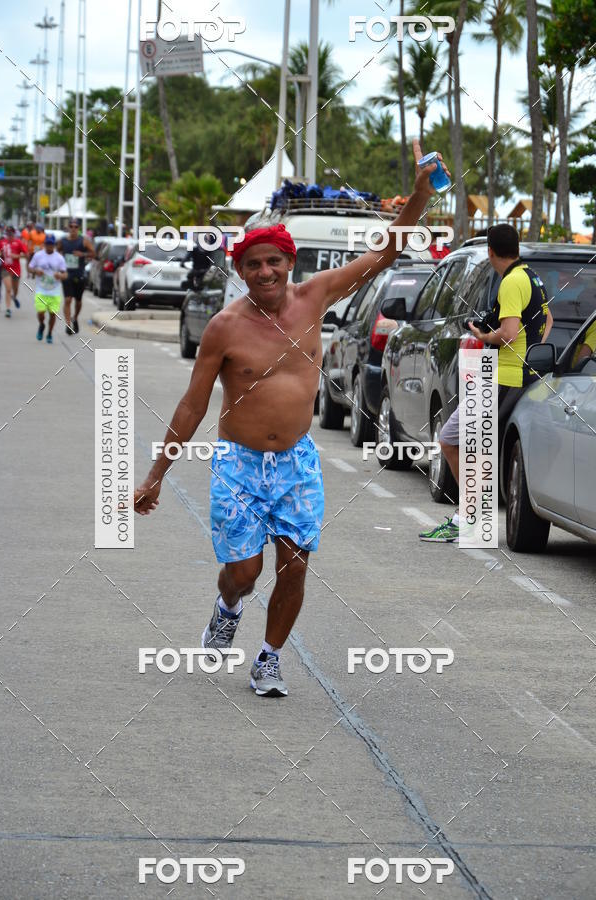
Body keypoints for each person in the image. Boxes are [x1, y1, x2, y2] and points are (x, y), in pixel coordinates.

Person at [134, 140, 448, 697]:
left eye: (273, 262)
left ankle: (269, 658)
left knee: (296, 566)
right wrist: (157, 473)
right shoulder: (224, 328)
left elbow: (386, 252)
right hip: (237, 461)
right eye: (252, 265)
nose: (264, 272)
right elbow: (192, 403)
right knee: (245, 573)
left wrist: (421, 195)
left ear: (289, 263)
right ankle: (228, 604)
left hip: (296, 461)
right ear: (242, 272)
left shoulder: (315, 297)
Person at [419, 223, 554, 543]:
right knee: (477, 445)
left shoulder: (510, 282)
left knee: (450, 438)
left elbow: (506, 334)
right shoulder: (533, 277)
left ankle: (468, 516)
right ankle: (472, 513)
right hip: (523, 376)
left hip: (503, 377)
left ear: (491, 252)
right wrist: (531, 350)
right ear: (516, 248)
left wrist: (482, 335)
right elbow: (548, 321)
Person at [28, 233, 67, 344]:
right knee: (41, 312)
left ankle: (49, 333)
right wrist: (36, 271)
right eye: (47, 244)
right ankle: (42, 325)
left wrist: (60, 275)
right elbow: (30, 268)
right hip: (41, 289)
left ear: (54, 245)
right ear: (44, 244)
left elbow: (65, 274)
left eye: (51, 244)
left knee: (52, 314)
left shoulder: (59, 258)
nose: (49, 246)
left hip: (54, 291)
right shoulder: (38, 255)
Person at [58, 218, 94, 334]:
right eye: (71, 226)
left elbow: (94, 254)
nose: (73, 229)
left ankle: (75, 317)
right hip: (67, 274)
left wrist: (82, 254)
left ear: (78, 228)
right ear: (68, 227)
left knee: (78, 301)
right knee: (68, 299)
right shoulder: (62, 241)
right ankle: (68, 324)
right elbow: (56, 252)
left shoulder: (84, 241)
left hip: (79, 274)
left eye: (76, 227)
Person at [0, 225, 27, 318]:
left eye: (11, 233)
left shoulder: (18, 242)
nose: (9, 235)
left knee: (15, 289)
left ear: (14, 233)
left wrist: (17, 256)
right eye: (8, 233)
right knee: (8, 289)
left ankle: (14, 297)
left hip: (16, 269)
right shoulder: (2, 242)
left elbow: (26, 254)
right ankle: (8, 309)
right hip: (5, 269)